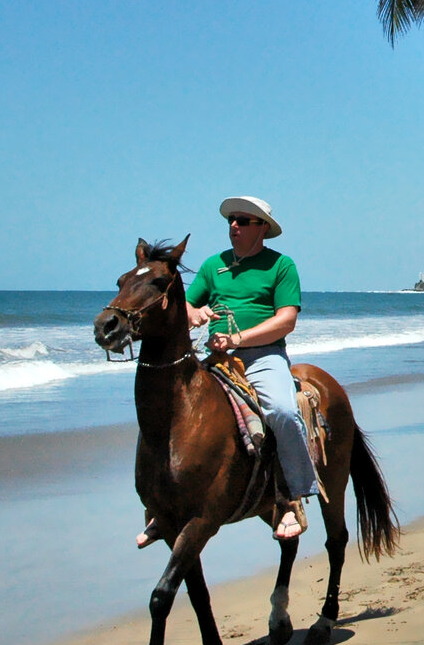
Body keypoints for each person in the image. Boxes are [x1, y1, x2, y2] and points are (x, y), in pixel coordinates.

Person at [136, 195, 317, 546]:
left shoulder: (281, 265)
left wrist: (239, 337)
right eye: (232, 219)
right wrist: (196, 314)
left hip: (263, 356)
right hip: (217, 357)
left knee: (281, 410)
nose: (234, 225)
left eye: (243, 220)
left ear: (261, 227)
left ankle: (291, 499)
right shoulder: (213, 265)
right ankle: (159, 506)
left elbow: (286, 321)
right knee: (168, 411)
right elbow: (185, 305)